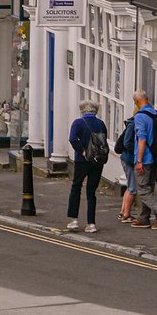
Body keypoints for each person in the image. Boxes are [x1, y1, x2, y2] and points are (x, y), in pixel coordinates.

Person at [66, 100, 109, 233]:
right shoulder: (101, 123)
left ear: (82, 110)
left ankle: (74, 220)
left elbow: (72, 139)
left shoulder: (78, 123)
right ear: (95, 111)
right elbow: (104, 140)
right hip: (97, 161)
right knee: (91, 192)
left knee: (76, 187)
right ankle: (91, 224)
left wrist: (83, 151)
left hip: (82, 160)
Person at [130, 89, 157, 228]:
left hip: (145, 158)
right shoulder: (154, 114)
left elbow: (141, 140)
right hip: (154, 158)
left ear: (136, 101)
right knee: (150, 187)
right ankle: (144, 218)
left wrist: (139, 160)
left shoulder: (140, 117)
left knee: (143, 189)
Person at [117, 111, 137, 223]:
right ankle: (126, 215)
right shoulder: (133, 124)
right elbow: (128, 143)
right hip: (129, 159)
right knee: (133, 189)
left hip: (126, 158)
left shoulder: (131, 122)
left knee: (130, 186)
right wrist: (137, 154)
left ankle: (123, 212)